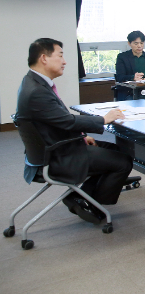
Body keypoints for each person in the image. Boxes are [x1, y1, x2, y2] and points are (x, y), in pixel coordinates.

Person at [16, 38, 131, 224]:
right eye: (60, 55)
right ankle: (93, 205)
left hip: (52, 147)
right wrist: (103, 119)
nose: (65, 61)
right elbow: (68, 121)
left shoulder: (33, 82)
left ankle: (80, 197)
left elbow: (55, 121)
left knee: (115, 150)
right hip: (57, 156)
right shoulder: (37, 91)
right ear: (44, 58)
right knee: (123, 161)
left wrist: (81, 136)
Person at [115, 30, 145, 100]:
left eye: (141, 43)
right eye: (136, 44)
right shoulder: (122, 57)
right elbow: (119, 77)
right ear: (129, 43)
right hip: (129, 92)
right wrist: (133, 77)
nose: (139, 46)